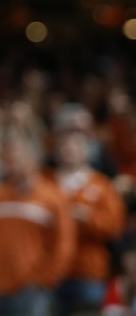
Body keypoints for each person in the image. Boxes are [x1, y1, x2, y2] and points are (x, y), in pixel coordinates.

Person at [0, 131, 76, 316]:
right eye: (8, 158)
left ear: (33, 160)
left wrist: (45, 279)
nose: (10, 163)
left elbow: (64, 245)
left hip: (31, 289)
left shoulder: (53, 197)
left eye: (15, 158)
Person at [50, 124, 127, 316]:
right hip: (50, 270)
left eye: (75, 147)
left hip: (88, 271)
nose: (69, 151)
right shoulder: (45, 182)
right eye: (64, 147)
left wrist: (88, 218)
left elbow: (116, 226)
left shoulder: (101, 184)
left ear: (86, 151)